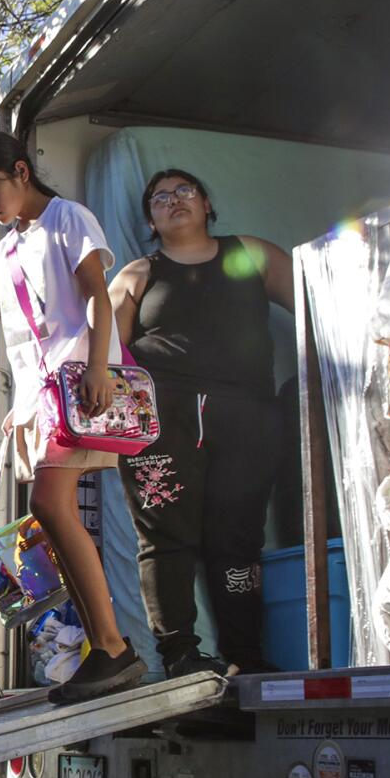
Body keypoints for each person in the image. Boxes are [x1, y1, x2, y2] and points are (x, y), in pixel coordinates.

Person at [0, 131, 146, 702]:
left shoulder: (69, 217)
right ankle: (104, 647)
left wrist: (98, 367)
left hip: (78, 378)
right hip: (41, 395)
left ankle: (112, 648)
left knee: (49, 505)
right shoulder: (8, 243)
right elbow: (20, 335)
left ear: (21, 171)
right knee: (50, 512)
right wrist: (18, 410)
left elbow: (96, 294)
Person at [109, 169, 293, 676]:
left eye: (184, 191)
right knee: (167, 538)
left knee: (238, 540)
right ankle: (181, 656)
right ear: (150, 218)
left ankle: (244, 657)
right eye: (160, 198)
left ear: (207, 203)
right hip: (162, 421)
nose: (174, 201)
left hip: (248, 418)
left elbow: (318, 301)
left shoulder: (251, 254)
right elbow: (100, 349)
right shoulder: (137, 275)